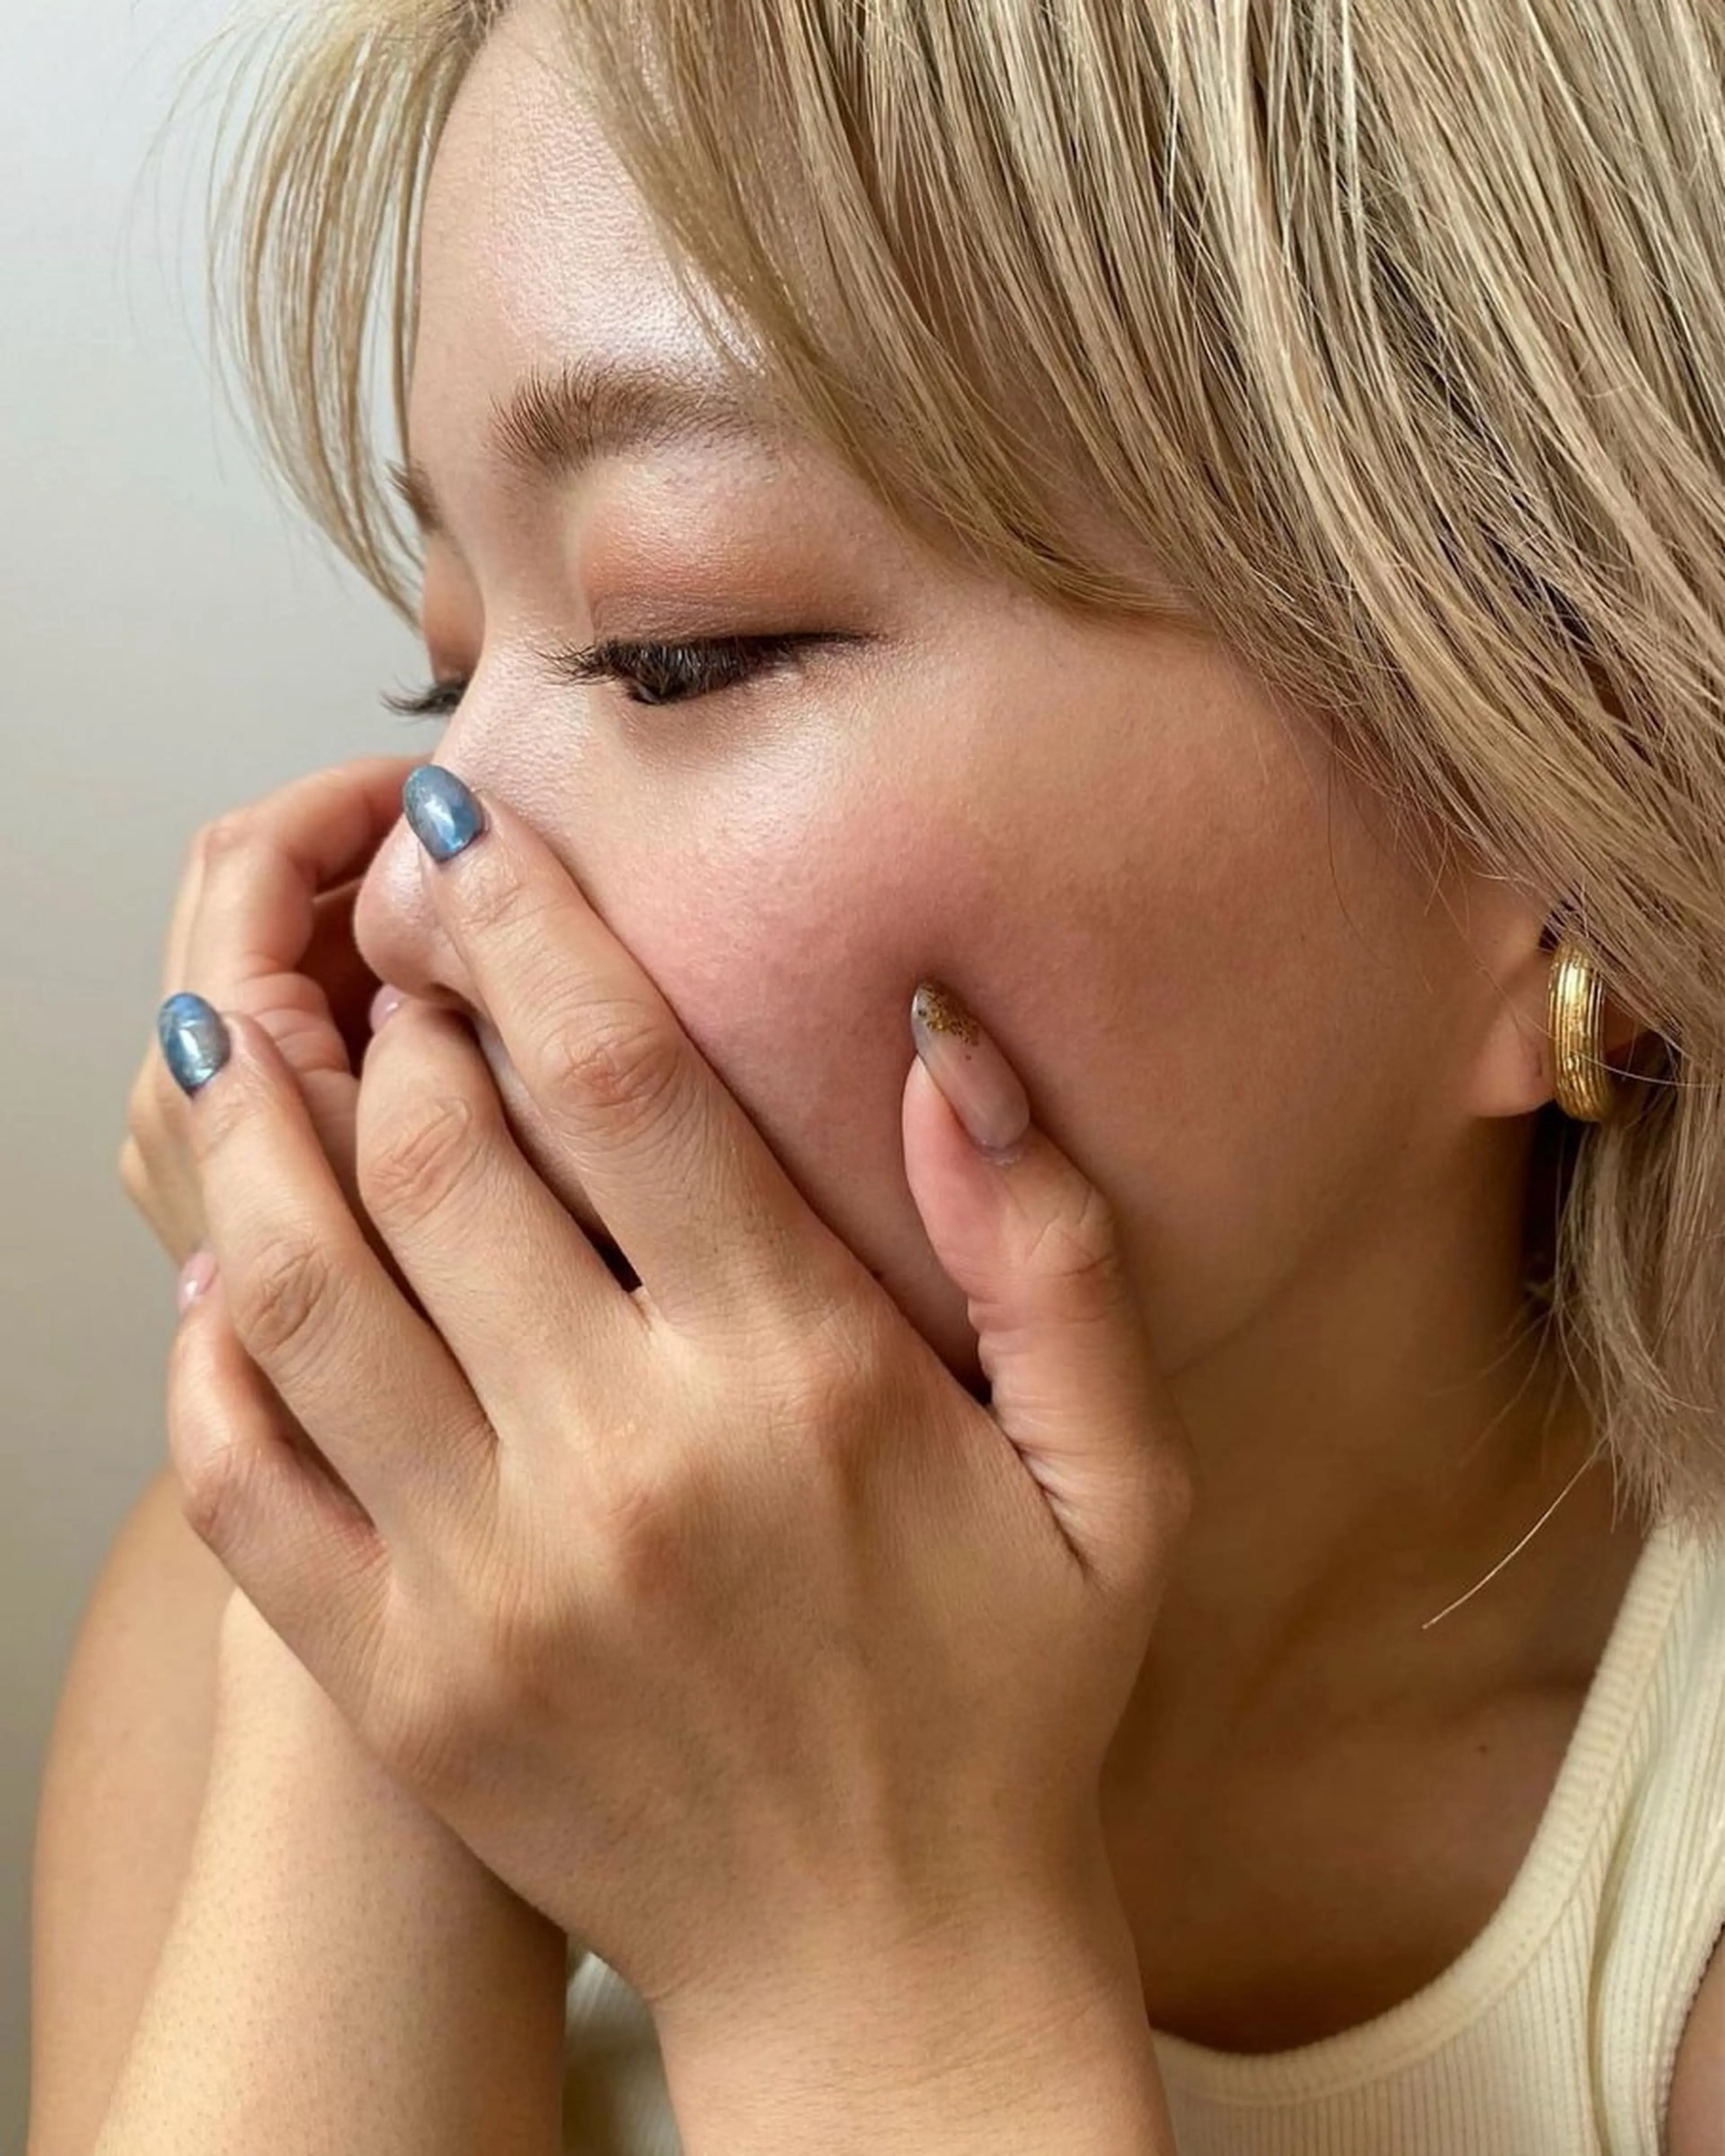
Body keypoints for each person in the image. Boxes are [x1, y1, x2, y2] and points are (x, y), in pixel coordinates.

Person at [28, 1, 1725, 2152]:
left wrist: (864, 1971)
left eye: (677, 645)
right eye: (447, 663)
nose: (412, 912)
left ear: (1548, 810)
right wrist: (371, 1674)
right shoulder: (251, 1615)